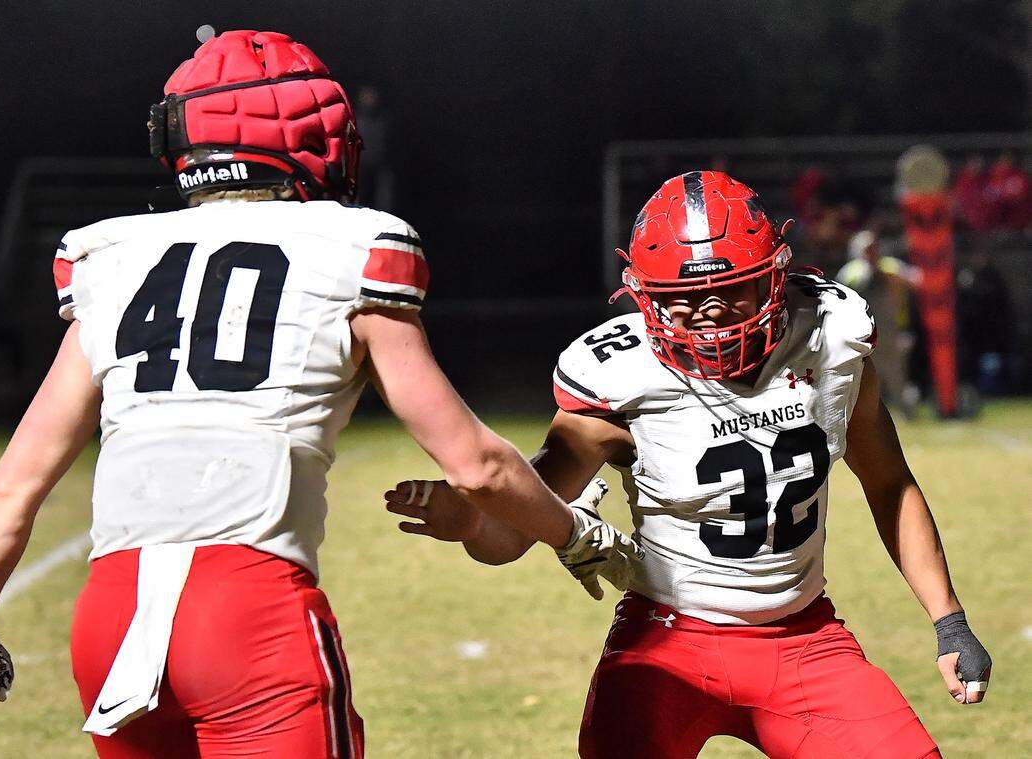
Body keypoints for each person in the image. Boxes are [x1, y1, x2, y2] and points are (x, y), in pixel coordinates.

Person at [0, 30, 640, 758]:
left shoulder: (109, 261)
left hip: (109, 620)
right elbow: (477, 465)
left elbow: (13, 486)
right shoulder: (351, 246)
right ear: (310, 132)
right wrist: (578, 535)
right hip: (249, 610)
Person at [385, 171, 992, 758]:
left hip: (803, 639)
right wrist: (470, 520)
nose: (708, 313)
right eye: (684, 299)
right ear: (645, 299)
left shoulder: (830, 337)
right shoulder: (621, 381)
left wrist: (949, 620)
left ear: (775, 279)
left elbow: (889, 483)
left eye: (729, 290)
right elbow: (511, 534)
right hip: (666, 642)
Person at [837, 229, 921, 414]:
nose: (872, 251)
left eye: (874, 247)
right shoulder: (852, 272)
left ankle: (908, 414)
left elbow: (916, 280)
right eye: (867, 248)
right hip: (862, 335)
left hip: (890, 331)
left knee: (897, 377)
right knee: (862, 379)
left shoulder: (889, 266)